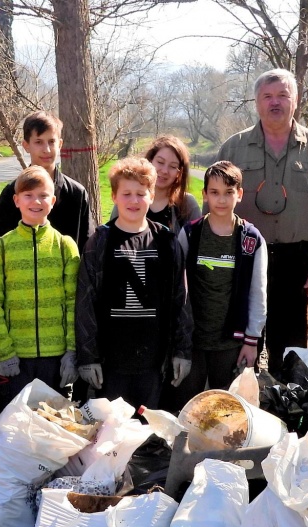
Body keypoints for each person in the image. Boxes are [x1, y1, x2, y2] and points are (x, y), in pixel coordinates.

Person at [216, 68, 308, 376]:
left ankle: (286, 399)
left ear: (295, 101)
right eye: (267, 96)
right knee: (239, 344)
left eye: (283, 96)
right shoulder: (233, 148)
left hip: (297, 260)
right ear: (257, 102)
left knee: (290, 350)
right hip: (244, 257)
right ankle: (240, 399)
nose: (275, 102)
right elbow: (214, 205)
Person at [76, 157, 192, 410]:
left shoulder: (166, 241)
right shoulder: (99, 242)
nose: (134, 200)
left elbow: (180, 299)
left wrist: (182, 351)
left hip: (154, 362)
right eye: (126, 194)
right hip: (110, 363)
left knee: (148, 427)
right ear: (114, 197)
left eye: (141, 194)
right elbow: (86, 303)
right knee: (112, 430)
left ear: (152, 196)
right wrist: (88, 357)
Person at [0, 165, 80, 402]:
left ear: (53, 201)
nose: (36, 201)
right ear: (16, 200)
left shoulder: (65, 246)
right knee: (16, 422)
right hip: (16, 358)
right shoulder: (2, 247)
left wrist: (71, 351)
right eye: (28, 195)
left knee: (54, 422)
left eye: (43, 195)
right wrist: (4, 352)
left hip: (56, 359)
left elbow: (74, 303)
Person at [174, 161, 268, 401]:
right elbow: (177, 289)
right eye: (214, 192)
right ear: (204, 194)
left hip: (231, 343)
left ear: (240, 194)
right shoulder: (190, 233)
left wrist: (252, 341)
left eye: (228, 192)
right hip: (193, 340)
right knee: (188, 405)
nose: (222, 200)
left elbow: (258, 293)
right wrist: (177, 341)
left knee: (226, 407)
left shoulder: (251, 239)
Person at [0, 110, 94, 251]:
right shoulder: (12, 193)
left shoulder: (76, 194)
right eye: (38, 142)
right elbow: (0, 248)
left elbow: (89, 249)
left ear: (60, 144)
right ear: (26, 146)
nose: (46, 149)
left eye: (51, 142)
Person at [110, 136, 201, 235]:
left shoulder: (188, 204)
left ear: (179, 172)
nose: (165, 171)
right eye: (160, 162)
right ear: (150, 161)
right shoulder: (127, 199)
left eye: (173, 166)